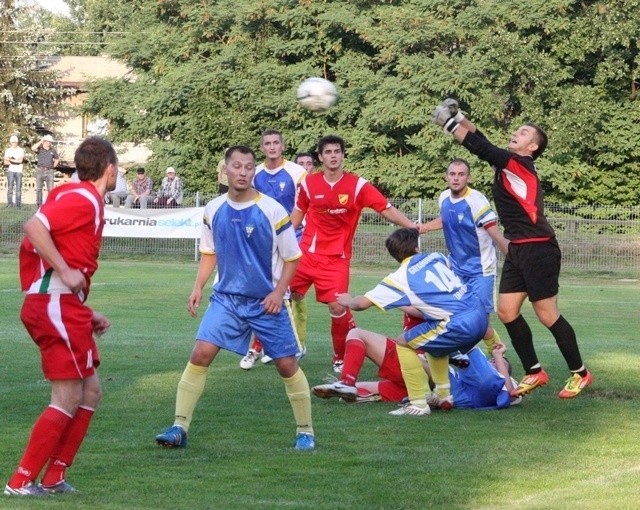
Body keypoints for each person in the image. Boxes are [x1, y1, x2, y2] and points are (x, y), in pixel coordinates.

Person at [154, 145, 315, 451]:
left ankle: (305, 431)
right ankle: (179, 427)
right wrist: (198, 286)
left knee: (286, 364)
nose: (243, 172)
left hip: (265, 301)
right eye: (237, 166)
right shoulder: (213, 209)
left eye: (249, 167)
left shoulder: (272, 209)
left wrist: (278, 292)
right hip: (227, 299)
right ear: (225, 170)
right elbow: (209, 252)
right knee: (200, 353)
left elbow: (292, 257)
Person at [431, 98, 592, 399]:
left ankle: (581, 373)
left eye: (524, 132)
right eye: (518, 129)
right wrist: (461, 116)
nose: (517, 133)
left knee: (547, 315)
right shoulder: (509, 163)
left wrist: (450, 124)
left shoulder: (520, 165)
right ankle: (534, 371)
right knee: (506, 312)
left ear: (533, 147)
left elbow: (481, 148)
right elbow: (485, 142)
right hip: (519, 249)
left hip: (539, 248)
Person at [4, 136, 117, 497]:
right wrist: (65, 272)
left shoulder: (80, 196)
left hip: (63, 304)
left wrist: (84, 308)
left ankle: (54, 476)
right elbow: (34, 228)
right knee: (67, 395)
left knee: (91, 391)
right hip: (52, 304)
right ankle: (20, 481)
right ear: (110, 170)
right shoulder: (81, 198)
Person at [290, 135, 427, 373]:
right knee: (278, 295)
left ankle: (339, 356)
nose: (333, 155)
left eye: (337, 151)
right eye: (328, 152)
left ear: (343, 155)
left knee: (337, 307)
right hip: (306, 256)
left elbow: (386, 209)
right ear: (320, 157)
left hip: (336, 259)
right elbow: (297, 214)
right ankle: (268, 348)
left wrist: (411, 226)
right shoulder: (309, 184)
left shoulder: (357, 185)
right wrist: (276, 241)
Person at [336, 227, 488, 416]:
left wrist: (348, 300)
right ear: (416, 248)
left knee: (403, 343)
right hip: (480, 313)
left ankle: (418, 402)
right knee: (434, 344)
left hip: (456, 322)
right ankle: (443, 395)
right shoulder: (436, 257)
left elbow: (361, 304)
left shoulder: (399, 277)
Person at [313, 321, 520, 410]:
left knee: (356, 334)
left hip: (421, 370)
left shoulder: (494, 378)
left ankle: (346, 381)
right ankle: (355, 391)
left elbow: (510, 389)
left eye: (499, 364)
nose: (494, 362)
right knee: (370, 387)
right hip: (423, 383)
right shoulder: (474, 375)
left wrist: (497, 353)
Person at [423, 158, 509, 355]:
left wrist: (514, 258)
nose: (456, 178)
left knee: (479, 320)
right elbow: (446, 218)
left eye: (461, 174)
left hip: (481, 270)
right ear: (446, 177)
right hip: (456, 268)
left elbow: (495, 233)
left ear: (468, 178)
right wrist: (423, 228)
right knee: (456, 313)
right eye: (452, 174)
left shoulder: (476, 201)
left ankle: (497, 355)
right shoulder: (444, 197)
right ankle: (462, 354)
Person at [239, 129, 308, 370]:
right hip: (260, 242)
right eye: (267, 143)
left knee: (283, 293)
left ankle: (282, 347)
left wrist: (287, 232)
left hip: (291, 239)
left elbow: (305, 205)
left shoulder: (296, 173)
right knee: (261, 292)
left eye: (275, 142)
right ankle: (260, 348)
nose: (271, 147)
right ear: (262, 148)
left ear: (282, 145)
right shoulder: (255, 173)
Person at [31, 135, 60, 207]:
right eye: (46, 141)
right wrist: (41, 141)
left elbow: (57, 159)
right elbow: (33, 148)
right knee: (38, 189)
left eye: (49, 142)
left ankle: (50, 204)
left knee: (50, 189)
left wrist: (54, 166)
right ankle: (39, 205)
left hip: (50, 171)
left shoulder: (53, 150)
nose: (48, 143)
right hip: (40, 170)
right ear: (44, 142)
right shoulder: (40, 149)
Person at [4, 135, 25, 208]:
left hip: (19, 171)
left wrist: (10, 159)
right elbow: (5, 162)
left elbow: (20, 160)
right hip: (11, 171)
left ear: (17, 142)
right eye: (13, 142)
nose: (14, 143)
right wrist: (15, 161)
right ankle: (10, 204)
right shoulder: (8, 150)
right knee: (10, 188)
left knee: (18, 189)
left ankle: (18, 205)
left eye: (15, 142)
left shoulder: (21, 150)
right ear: (11, 142)